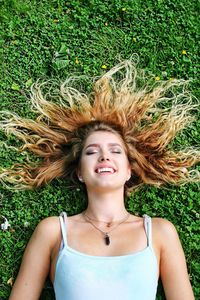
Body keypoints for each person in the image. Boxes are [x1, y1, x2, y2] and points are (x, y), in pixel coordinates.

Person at [1, 60, 199, 300]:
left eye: (116, 151)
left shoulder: (159, 232)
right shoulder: (53, 231)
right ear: (80, 173)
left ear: (128, 171)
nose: (105, 155)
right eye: (92, 151)